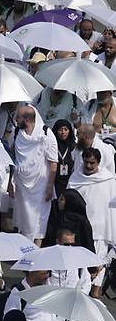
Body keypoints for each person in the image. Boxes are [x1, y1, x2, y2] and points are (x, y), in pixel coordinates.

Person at [67, 148, 116, 298]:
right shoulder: (75, 177)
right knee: (78, 277)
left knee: (96, 278)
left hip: (100, 233)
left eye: (92, 163)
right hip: (79, 231)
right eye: (86, 162)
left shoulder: (109, 180)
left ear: (99, 163)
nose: (88, 166)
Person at [8, 106, 58, 244]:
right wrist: (9, 183)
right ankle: (24, 251)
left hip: (40, 186)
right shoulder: (16, 132)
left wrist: (49, 186)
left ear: (27, 120)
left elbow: (53, 162)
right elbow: (11, 158)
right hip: (22, 186)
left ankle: (35, 254)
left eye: (18, 117)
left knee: (39, 221)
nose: (16, 120)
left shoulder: (47, 134)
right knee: (24, 220)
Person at [46, 229, 92, 294]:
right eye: (66, 244)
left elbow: (86, 283)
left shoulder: (79, 262)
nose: (70, 247)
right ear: (57, 242)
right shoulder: (47, 260)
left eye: (72, 244)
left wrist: (77, 297)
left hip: (71, 301)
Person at [52, 119, 76, 196]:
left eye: (66, 129)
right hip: (55, 181)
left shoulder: (73, 146)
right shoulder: (52, 146)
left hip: (70, 181)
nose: (63, 132)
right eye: (60, 129)